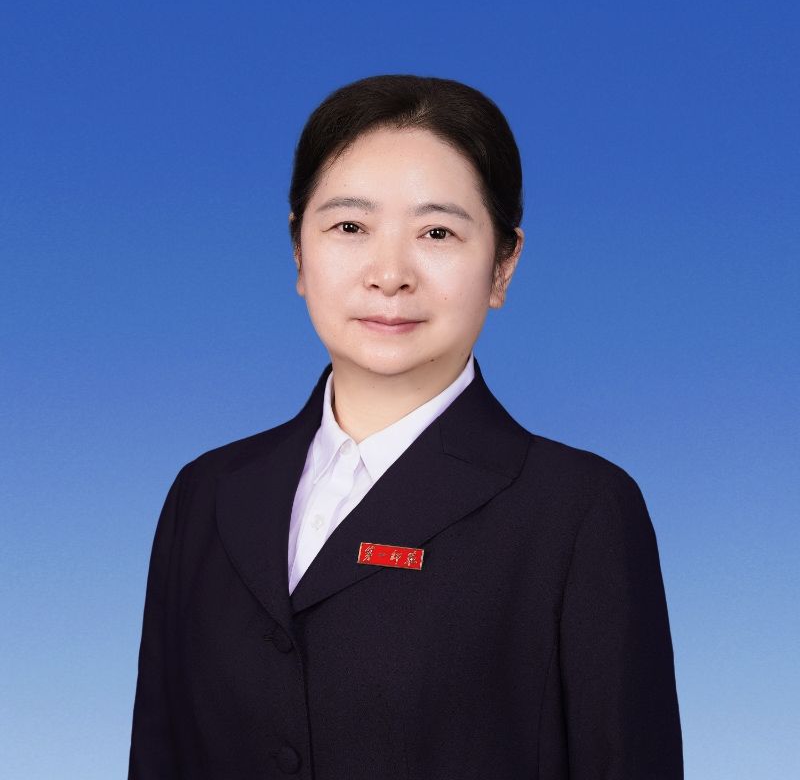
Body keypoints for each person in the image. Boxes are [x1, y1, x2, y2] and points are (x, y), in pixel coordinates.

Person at [128, 74, 683, 779]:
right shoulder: (207, 494)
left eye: (437, 232)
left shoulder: (579, 512)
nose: (389, 274)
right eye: (350, 227)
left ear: (503, 266)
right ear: (298, 251)